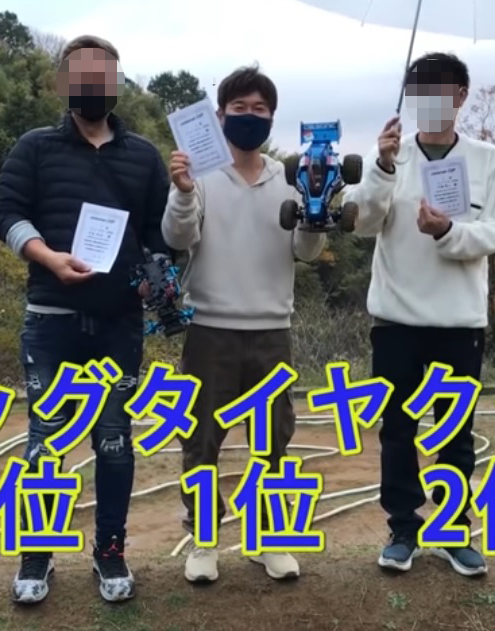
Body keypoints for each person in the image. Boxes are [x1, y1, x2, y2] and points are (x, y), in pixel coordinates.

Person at [0, 35, 169, 605]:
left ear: (116, 82)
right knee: (45, 442)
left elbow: (159, 232)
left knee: (114, 440)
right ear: (62, 83)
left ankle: (110, 551)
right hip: (51, 319)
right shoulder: (35, 147)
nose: (92, 84)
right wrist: (46, 257)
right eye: (81, 74)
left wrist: (154, 274)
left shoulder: (144, 156)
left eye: (102, 74)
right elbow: (6, 212)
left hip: (119, 322)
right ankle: (36, 558)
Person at [343, 52, 495, 577]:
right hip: (395, 321)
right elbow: (362, 222)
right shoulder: (391, 155)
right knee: (397, 429)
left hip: (459, 323)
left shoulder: (487, 160)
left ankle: (454, 530)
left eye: (442, 89)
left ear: (462, 95)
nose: (431, 99)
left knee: (454, 431)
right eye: (420, 89)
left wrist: (448, 232)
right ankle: (402, 529)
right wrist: (381, 167)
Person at [162, 65, 326, 584]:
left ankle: (270, 539)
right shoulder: (201, 175)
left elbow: (306, 251)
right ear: (220, 116)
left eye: (259, 109)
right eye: (239, 108)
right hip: (209, 328)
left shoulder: (289, 177)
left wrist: (316, 211)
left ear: (272, 117)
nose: (249, 116)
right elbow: (177, 237)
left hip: (272, 329)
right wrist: (182, 191)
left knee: (272, 441)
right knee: (201, 439)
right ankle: (204, 540)